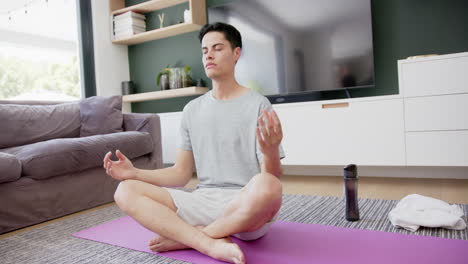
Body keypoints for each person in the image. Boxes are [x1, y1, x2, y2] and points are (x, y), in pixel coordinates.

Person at [103, 22, 285, 264]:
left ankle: (189, 237)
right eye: (204, 50)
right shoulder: (192, 110)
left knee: (269, 186)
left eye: (217, 48)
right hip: (202, 201)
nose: (208, 54)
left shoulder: (259, 105)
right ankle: (206, 242)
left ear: (236, 53)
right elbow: (180, 174)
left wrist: (271, 151)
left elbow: (271, 176)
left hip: (244, 207)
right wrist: (135, 173)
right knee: (125, 190)